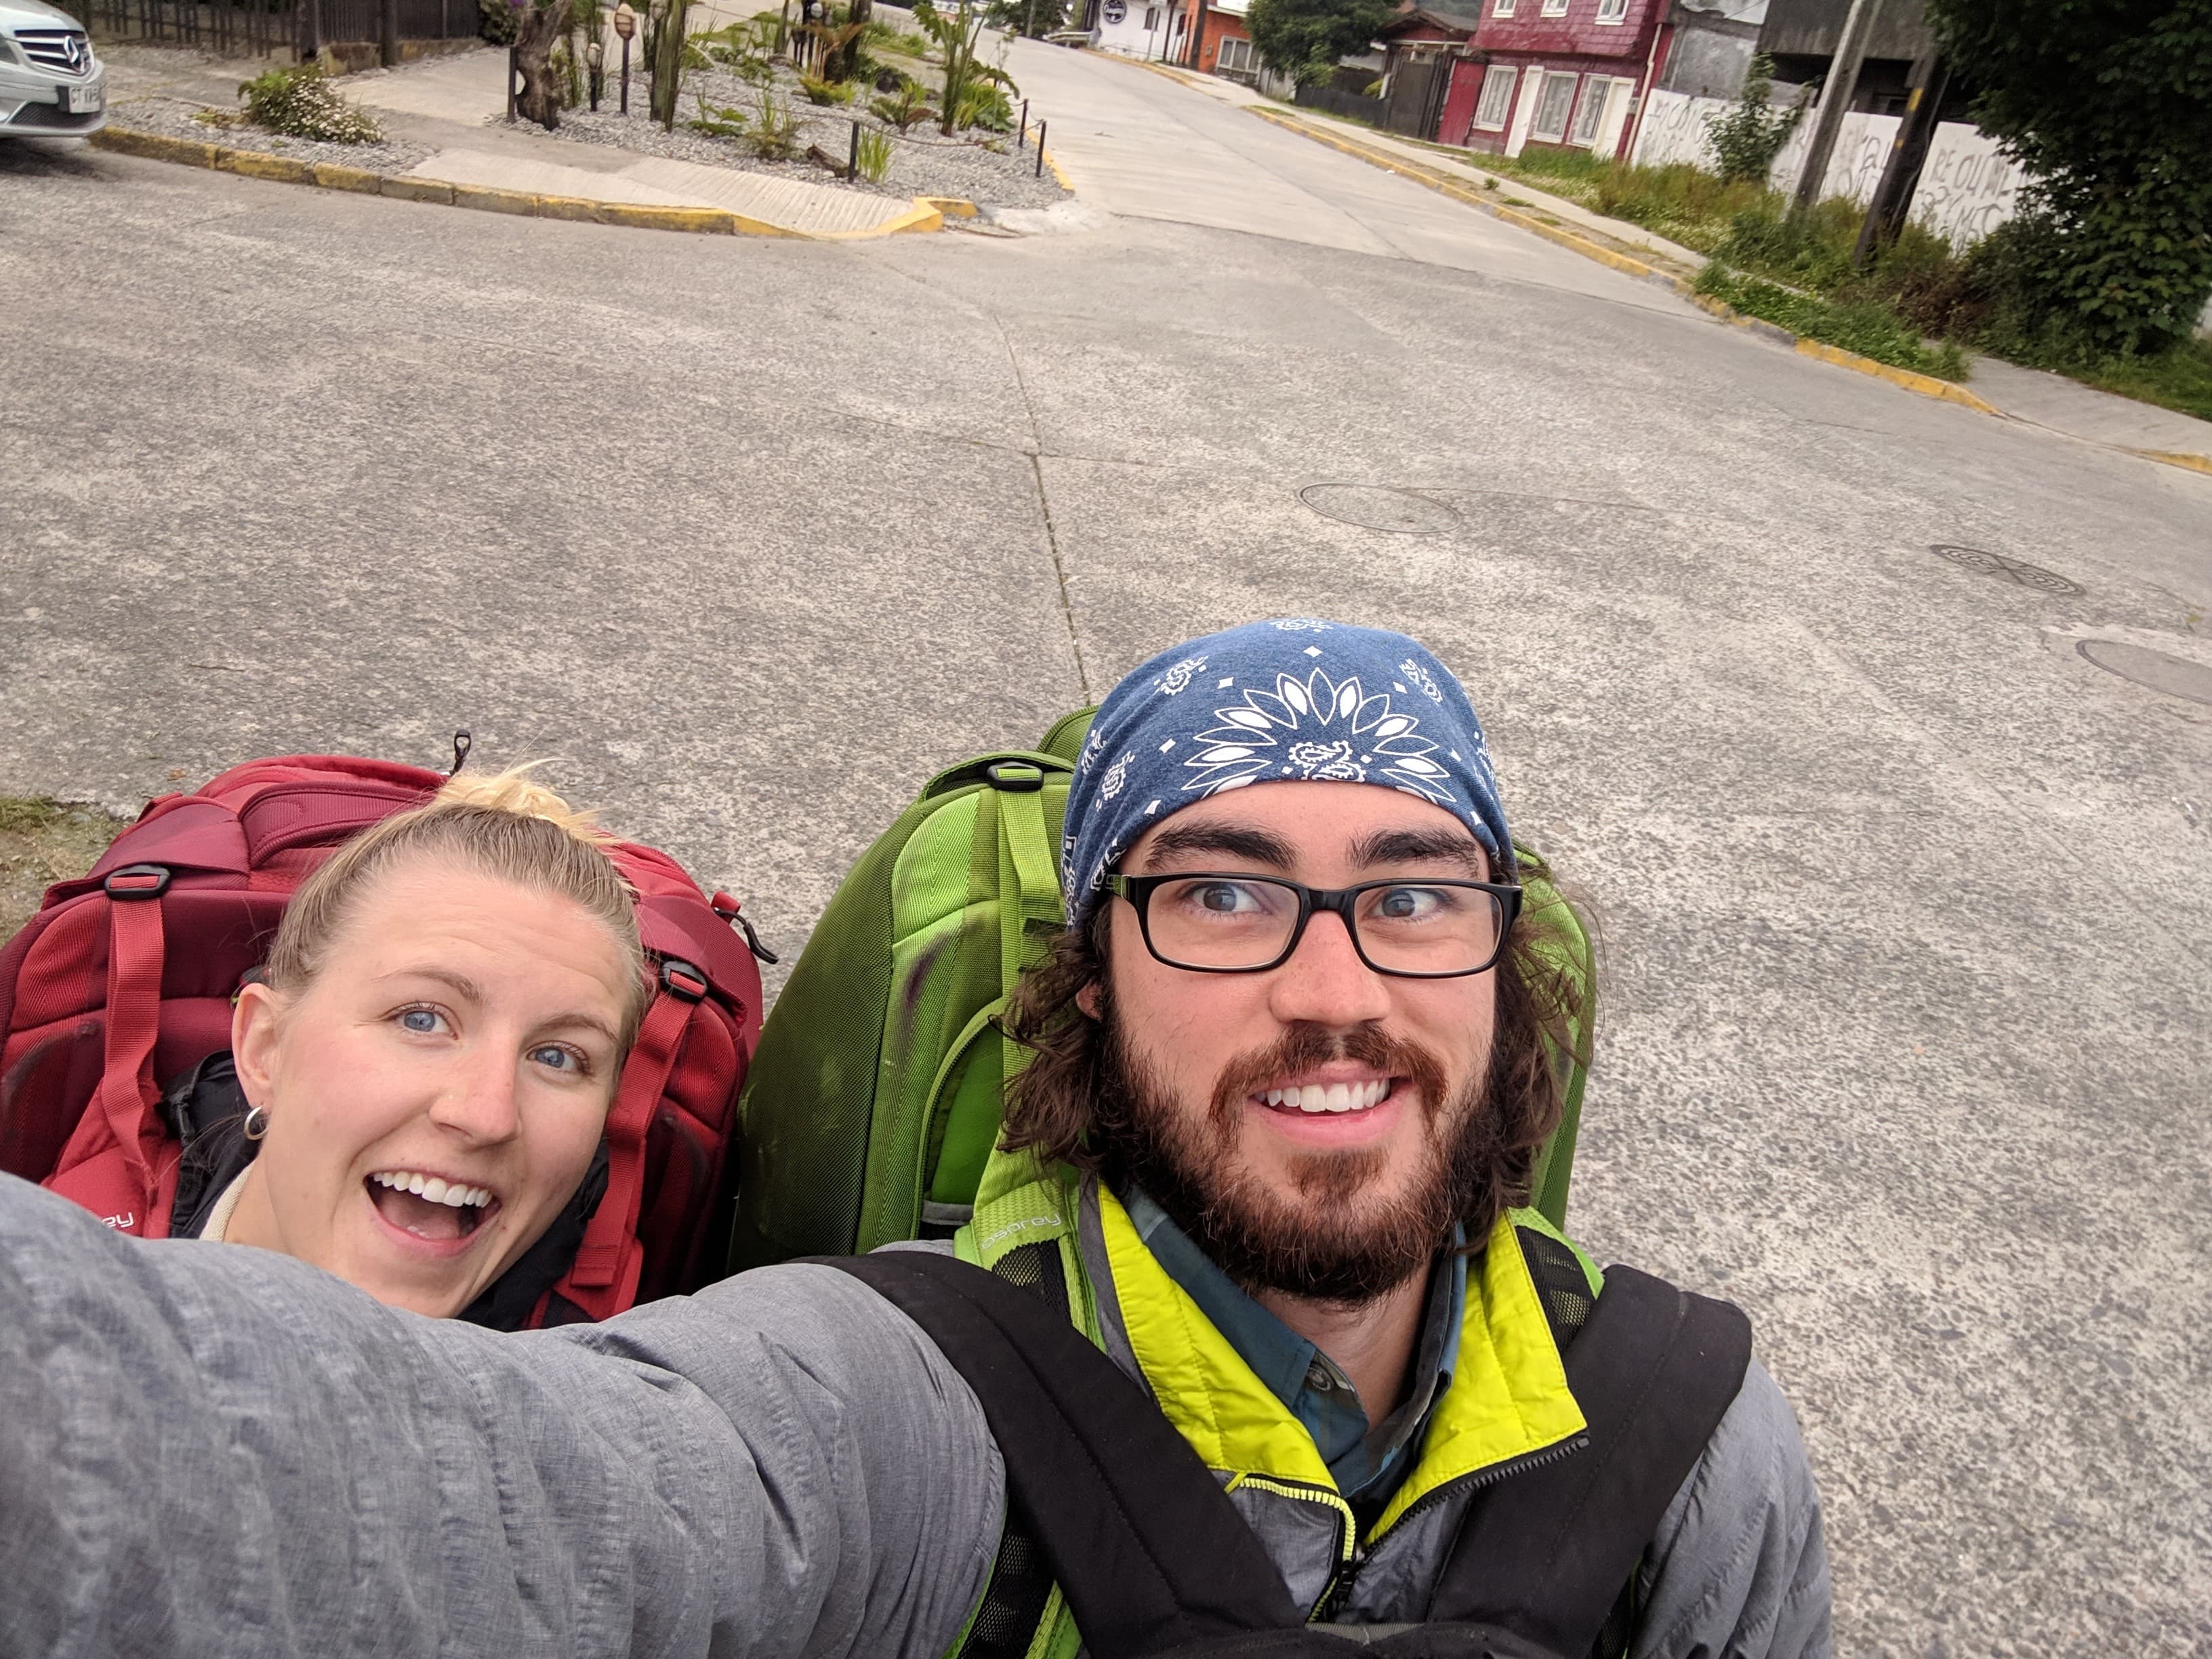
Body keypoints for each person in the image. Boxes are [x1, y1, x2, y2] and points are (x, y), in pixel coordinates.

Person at [0, 623, 1829, 1658]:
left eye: (1415, 899)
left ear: (1508, 970)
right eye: (1217, 897)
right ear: (1089, 987)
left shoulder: (1699, 1445)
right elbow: (433, 1495)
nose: (1330, 990)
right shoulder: (911, 1399)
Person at [163, 768, 651, 1324]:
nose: (487, 1116)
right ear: (265, 1047)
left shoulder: (603, 1377)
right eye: (421, 1019)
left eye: (557, 1057)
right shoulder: (69, 1255)